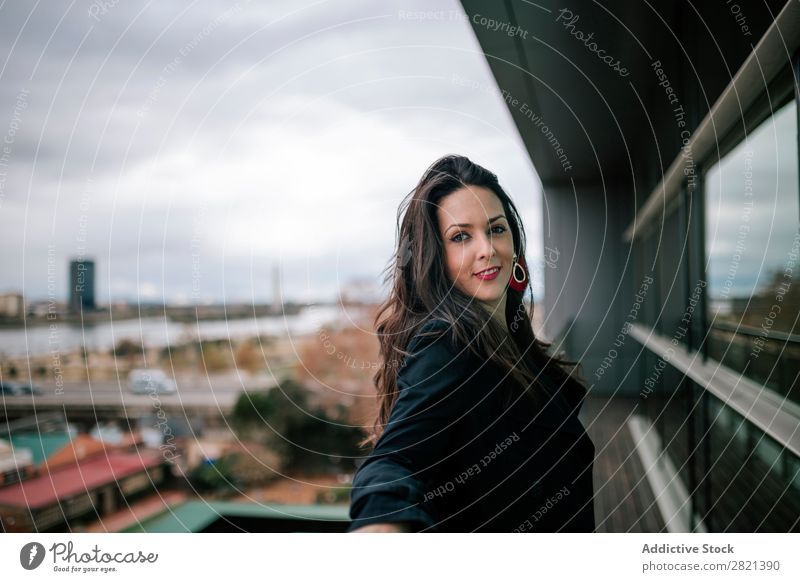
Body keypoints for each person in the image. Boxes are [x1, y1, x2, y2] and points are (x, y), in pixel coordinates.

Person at [348, 154, 595, 532]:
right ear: (436, 257)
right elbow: (395, 461)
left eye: (496, 229)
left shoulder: (510, 338)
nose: (486, 249)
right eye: (461, 236)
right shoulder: (446, 344)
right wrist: (381, 526)